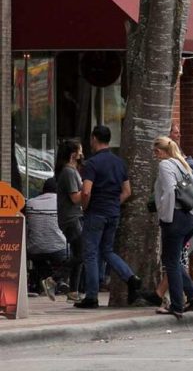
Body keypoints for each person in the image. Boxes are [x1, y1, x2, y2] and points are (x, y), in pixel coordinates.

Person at [77, 125, 142, 309]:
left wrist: (85, 207)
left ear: (94, 139)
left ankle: (91, 296)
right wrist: (114, 203)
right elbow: (127, 191)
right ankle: (130, 277)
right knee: (107, 251)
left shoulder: (92, 163)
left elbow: (86, 191)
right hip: (113, 212)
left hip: (96, 212)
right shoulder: (119, 162)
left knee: (90, 253)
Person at [152, 123, 193, 312]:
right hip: (191, 218)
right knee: (175, 259)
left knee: (170, 261)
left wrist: (166, 217)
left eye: (156, 152)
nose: (155, 156)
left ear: (161, 151)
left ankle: (177, 304)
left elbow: (170, 191)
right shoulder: (183, 163)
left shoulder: (165, 165)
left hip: (175, 218)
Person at [25, 177, 67, 299]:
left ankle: (48, 281)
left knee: (39, 260)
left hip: (34, 250)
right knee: (74, 256)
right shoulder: (62, 202)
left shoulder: (30, 203)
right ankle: (58, 282)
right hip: (58, 249)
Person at [55, 138, 84, 302]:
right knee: (82, 253)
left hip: (74, 217)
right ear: (74, 155)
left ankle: (74, 290)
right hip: (71, 218)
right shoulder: (69, 172)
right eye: (80, 151)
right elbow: (75, 198)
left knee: (78, 253)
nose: (82, 154)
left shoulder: (71, 171)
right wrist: (89, 190)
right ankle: (54, 278)